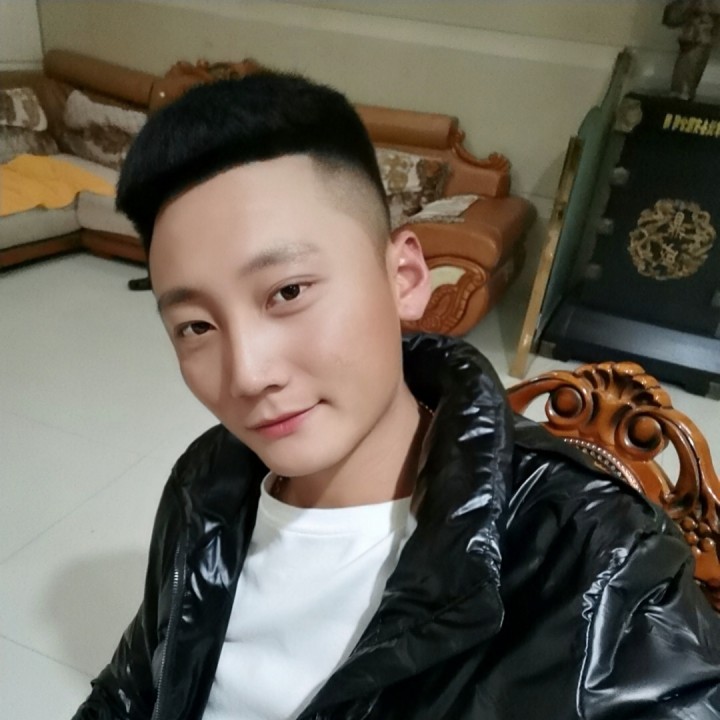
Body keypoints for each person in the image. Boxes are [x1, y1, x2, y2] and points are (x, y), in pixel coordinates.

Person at [73, 72, 720, 720]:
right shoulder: (206, 481)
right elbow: (130, 691)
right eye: (196, 327)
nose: (247, 374)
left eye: (288, 292)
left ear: (405, 277)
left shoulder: (596, 560)